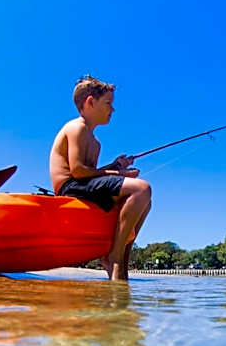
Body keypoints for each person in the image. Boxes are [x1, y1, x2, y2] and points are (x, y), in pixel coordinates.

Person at [49, 75, 152, 281]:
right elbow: (78, 171)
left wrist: (115, 165)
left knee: (145, 202)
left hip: (82, 184)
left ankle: (122, 257)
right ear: (90, 102)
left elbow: (92, 176)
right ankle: (112, 256)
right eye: (108, 103)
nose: (112, 109)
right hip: (69, 186)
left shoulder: (96, 143)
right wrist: (118, 174)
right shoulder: (76, 128)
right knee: (141, 189)